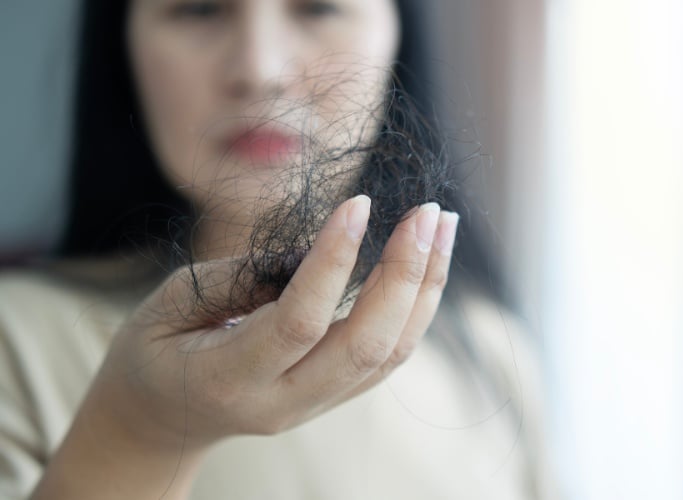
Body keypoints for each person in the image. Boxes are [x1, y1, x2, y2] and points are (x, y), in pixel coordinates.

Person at [0, 1, 556, 498]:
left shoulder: (491, 355)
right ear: (122, 46)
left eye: (317, 7)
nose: (260, 70)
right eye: (198, 10)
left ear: (397, 33)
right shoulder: (15, 342)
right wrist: (140, 433)